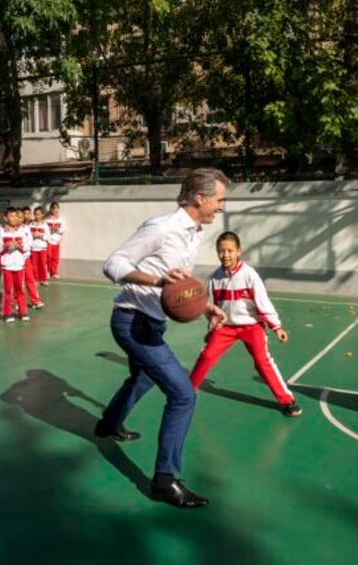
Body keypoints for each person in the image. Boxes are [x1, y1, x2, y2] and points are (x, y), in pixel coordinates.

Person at [96, 168, 229, 508]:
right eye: (219, 200)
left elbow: (179, 287)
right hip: (132, 322)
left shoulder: (193, 233)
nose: (221, 207)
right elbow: (113, 264)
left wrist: (206, 308)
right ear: (200, 198)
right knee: (183, 394)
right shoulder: (161, 228)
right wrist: (156, 282)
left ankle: (108, 424)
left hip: (151, 322)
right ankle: (164, 481)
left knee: (142, 378)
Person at [188, 231, 301, 417]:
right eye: (221, 251)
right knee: (207, 356)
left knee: (262, 361)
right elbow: (213, 308)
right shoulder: (215, 278)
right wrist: (211, 329)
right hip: (225, 328)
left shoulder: (249, 275)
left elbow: (262, 302)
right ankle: (188, 391)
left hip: (251, 327)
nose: (225, 255)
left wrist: (276, 326)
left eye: (230, 250)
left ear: (239, 251)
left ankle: (287, 400)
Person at [0, 207, 32, 322]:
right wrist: (5, 246)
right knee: (7, 290)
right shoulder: (1, 232)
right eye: (11, 216)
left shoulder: (22, 232)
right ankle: (7, 313)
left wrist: (19, 246)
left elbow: (27, 247)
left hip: (19, 265)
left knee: (20, 290)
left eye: (16, 216)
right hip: (6, 266)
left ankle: (23, 312)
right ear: (5, 218)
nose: (14, 218)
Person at [45, 201, 66, 280]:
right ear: (51, 209)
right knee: (48, 257)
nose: (55, 210)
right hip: (49, 241)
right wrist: (50, 229)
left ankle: (54, 272)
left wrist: (57, 229)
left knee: (55, 258)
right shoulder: (47, 220)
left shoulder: (60, 219)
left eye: (57, 208)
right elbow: (44, 229)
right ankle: (47, 272)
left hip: (57, 242)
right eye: (53, 208)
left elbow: (63, 229)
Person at [29, 206, 49, 286]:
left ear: (42, 215)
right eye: (36, 214)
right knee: (34, 265)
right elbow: (28, 235)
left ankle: (43, 279)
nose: (38, 216)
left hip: (42, 248)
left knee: (43, 264)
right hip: (33, 248)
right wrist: (33, 235)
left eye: (39, 214)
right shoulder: (31, 225)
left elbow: (48, 237)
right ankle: (36, 279)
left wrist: (41, 236)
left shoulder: (45, 225)